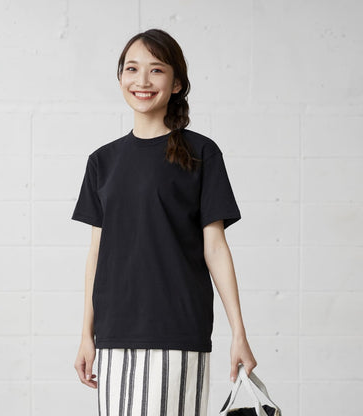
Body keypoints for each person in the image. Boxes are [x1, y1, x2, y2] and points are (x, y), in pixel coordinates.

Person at [72, 28, 257, 416]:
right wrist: (86, 334)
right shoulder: (102, 162)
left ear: (176, 84)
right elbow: (96, 255)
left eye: (156, 70)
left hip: (178, 330)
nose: (142, 80)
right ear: (120, 78)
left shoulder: (201, 153)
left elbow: (215, 248)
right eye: (132, 69)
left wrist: (239, 333)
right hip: (114, 334)